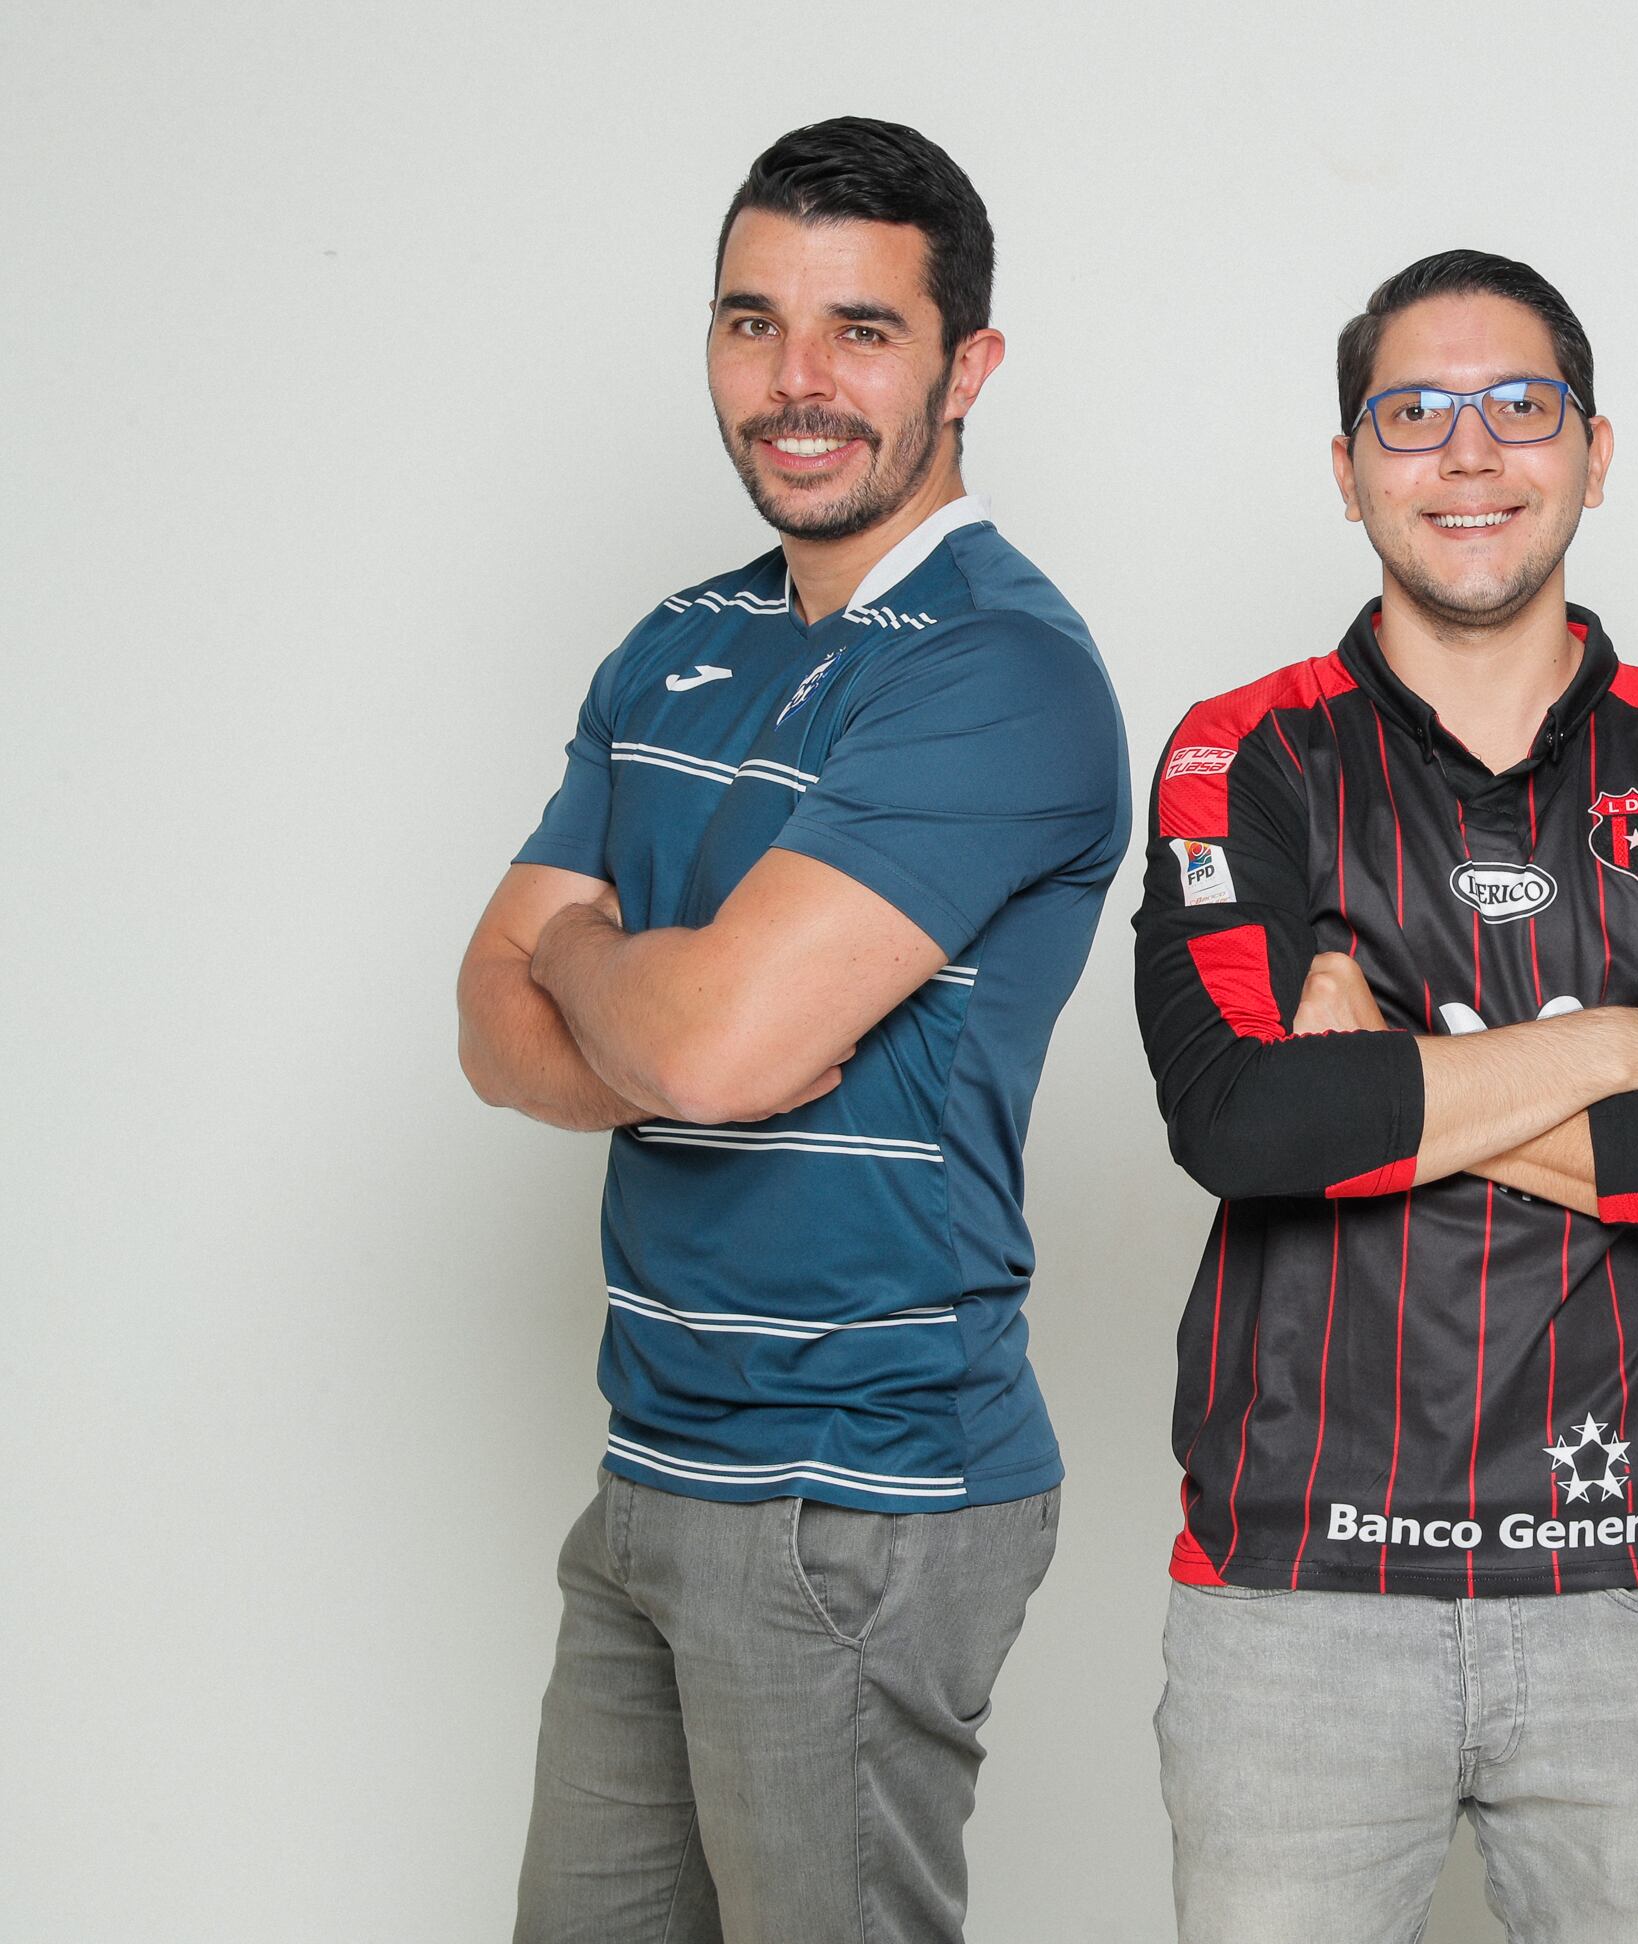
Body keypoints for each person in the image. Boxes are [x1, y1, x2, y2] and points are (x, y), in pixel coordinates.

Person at [456, 117, 1131, 1943]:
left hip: (855, 1494)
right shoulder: (674, 644)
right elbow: (488, 1018)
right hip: (654, 1461)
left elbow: (700, 1053)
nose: (797, 381)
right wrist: (635, 994)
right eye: (753, 323)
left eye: (863, 330)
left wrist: (588, 954)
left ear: (968, 366)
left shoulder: (999, 671)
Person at [1132, 249, 1638, 1943]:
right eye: (1413, 414)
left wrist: (1385, 1079)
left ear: (1596, 452)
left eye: (1521, 407)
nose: (1469, 452)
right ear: (1347, 470)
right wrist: (1631, 1041)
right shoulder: (1243, 754)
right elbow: (1240, 1123)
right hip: (1298, 1587)